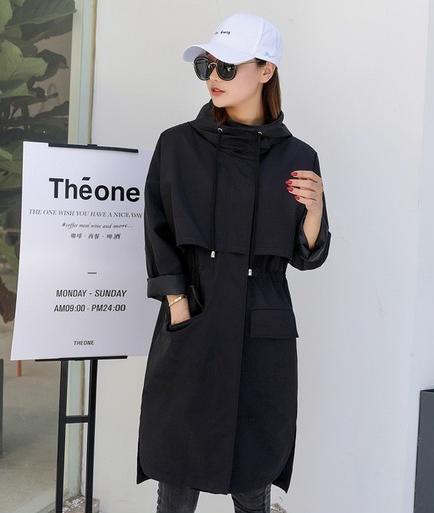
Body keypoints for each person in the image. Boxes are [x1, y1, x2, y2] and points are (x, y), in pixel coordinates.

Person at [136, 12, 332, 513]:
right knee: (177, 466)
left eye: (226, 67)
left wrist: (314, 213)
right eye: (206, 66)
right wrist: (178, 305)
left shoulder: (297, 156)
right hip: (194, 311)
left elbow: (305, 257)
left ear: (266, 70)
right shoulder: (178, 144)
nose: (213, 78)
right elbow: (158, 230)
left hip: (262, 324)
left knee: (253, 468)